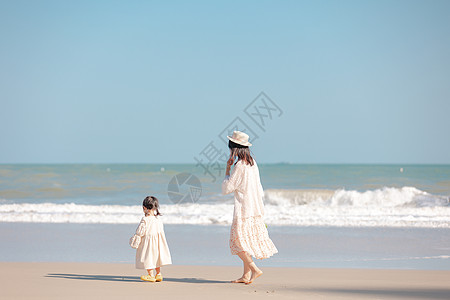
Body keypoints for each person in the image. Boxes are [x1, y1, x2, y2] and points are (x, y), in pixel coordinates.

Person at [222, 131, 278, 285]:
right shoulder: (252, 163)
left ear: (235, 149)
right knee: (245, 242)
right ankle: (246, 275)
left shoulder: (239, 166)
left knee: (237, 242)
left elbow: (227, 188)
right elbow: (259, 188)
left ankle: (254, 269)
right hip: (254, 208)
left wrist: (227, 169)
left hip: (243, 209)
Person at [129, 196, 172, 282]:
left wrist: (135, 239)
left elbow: (140, 231)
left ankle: (150, 275)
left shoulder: (145, 219)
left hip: (148, 242)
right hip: (158, 242)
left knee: (148, 257)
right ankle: (158, 274)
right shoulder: (158, 219)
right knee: (156, 257)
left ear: (144, 208)